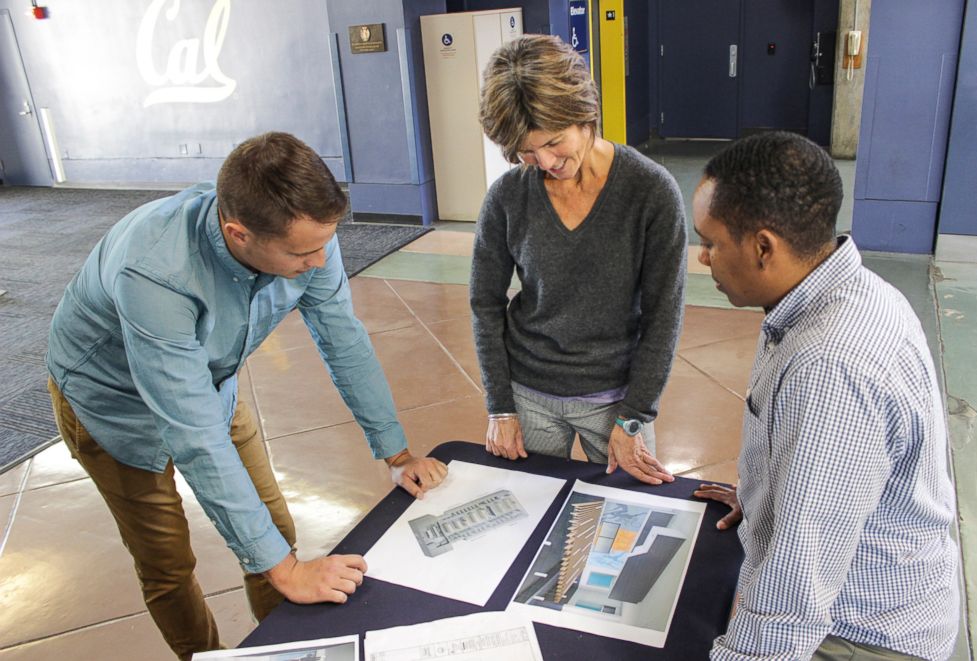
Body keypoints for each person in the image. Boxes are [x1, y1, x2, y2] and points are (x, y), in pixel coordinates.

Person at [46, 132, 448, 660]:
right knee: (167, 563)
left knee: (273, 530)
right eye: (303, 252)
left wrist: (396, 453)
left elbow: (344, 340)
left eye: (326, 242)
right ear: (239, 234)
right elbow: (194, 435)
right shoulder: (155, 270)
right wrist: (287, 572)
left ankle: (279, 648)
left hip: (211, 379)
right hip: (110, 403)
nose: (321, 260)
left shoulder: (308, 237)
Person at [690, 132, 960, 660]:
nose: (702, 258)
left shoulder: (829, 367)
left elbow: (796, 590)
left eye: (711, 242)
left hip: (859, 635)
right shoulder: (851, 291)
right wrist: (769, 494)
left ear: (763, 247)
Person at [470, 35, 687, 485]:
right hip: (527, 394)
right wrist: (500, 406)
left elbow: (664, 314)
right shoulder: (507, 196)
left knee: (618, 531)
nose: (546, 161)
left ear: (585, 114)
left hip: (617, 402)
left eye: (553, 142)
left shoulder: (651, 192)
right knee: (523, 519)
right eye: (528, 152)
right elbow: (485, 304)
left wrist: (634, 418)